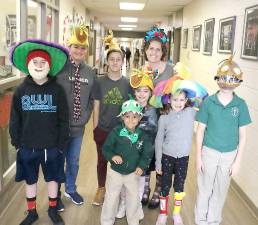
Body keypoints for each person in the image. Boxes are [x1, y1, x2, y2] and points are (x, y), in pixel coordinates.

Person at [9, 39, 69, 225]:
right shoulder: (21, 90)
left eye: (43, 62)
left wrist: (60, 145)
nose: (39, 65)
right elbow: (15, 119)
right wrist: (17, 143)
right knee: (30, 180)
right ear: (28, 64)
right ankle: (31, 212)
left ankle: (52, 209)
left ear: (49, 66)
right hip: (28, 146)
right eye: (35, 62)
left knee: (53, 179)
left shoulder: (57, 90)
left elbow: (63, 119)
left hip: (52, 147)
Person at [194, 56, 251, 225]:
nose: (227, 83)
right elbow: (200, 130)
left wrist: (237, 162)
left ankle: (213, 220)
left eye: (232, 79)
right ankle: (200, 220)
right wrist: (198, 157)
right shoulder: (209, 102)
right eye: (224, 78)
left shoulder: (240, 105)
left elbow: (243, 135)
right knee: (204, 189)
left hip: (229, 155)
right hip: (209, 152)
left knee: (220, 190)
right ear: (218, 79)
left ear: (238, 81)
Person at [153, 75, 208, 225]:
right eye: (175, 99)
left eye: (182, 100)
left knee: (179, 186)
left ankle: (176, 213)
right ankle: (163, 214)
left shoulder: (191, 112)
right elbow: (158, 140)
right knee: (164, 186)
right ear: (169, 99)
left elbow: (205, 112)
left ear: (186, 100)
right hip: (166, 157)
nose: (178, 103)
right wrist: (158, 162)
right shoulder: (164, 117)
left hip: (183, 157)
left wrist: (202, 100)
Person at [56, 23, 96, 210]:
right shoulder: (59, 67)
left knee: (73, 160)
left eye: (82, 47)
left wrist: (86, 116)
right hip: (58, 127)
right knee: (57, 160)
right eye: (76, 47)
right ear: (69, 47)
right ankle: (54, 192)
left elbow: (91, 99)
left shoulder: (90, 72)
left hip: (79, 128)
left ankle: (70, 189)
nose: (79, 50)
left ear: (86, 50)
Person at [100, 99, 154, 225]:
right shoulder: (115, 132)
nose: (131, 120)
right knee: (111, 198)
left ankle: (133, 219)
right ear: (122, 117)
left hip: (132, 173)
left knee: (133, 198)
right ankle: (107, 220)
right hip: (115, 172)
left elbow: (146, 154)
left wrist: (141, 166)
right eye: (127, 116)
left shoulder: (142, 136)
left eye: (134, 117)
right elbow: (106, 148)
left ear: (139, 118)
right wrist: (112, 156)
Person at [92, 39, 132, 206]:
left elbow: (130, 108)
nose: (115, 62)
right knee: (102, 161)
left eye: (118, 59)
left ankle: (119, 194)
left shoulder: (127, 83)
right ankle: (101, 188)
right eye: (112, 59)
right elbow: (96, 105)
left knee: (120, 163)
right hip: (102, 128)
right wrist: (95, 128)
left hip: (120, 131)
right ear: (107, 62)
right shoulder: (99, 81)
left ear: (122, 62)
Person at [116, 69, 157, 219]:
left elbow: (153, 132)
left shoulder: (153, 111)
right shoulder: (128, 106)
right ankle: (123, 204)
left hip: (143, 154)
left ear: (150, 93)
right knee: (125, 182)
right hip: (128, 153)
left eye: (145, 91)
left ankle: (136, 207)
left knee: (140, 183)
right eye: (138, 91)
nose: (141, 94)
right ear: (134, 92)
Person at [142, 27, 174, 209]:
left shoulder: (171, 70)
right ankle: (145, 187)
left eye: (158, 49)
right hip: (146, 121)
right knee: (146, 153)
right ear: (146, 50)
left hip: (166, 119)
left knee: (163, 156)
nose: (153, 52)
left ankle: (158, 189)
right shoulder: (141, 70)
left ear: (163, 52)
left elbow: (179, 95)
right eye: (151, 48)